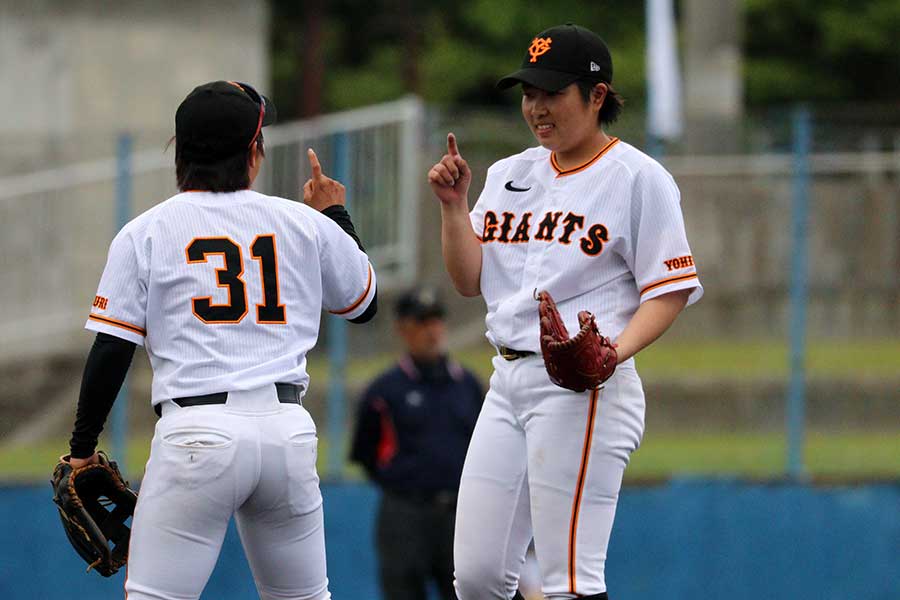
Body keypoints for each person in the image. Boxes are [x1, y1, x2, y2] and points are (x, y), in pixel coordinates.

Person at [63, 80, 377, 600]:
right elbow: (363, 306)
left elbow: (112, 349)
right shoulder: (302, 222)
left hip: (196, 437)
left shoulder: (146, 231)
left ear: (179, 151)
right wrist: (334, 216)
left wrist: (80, 450)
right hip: (286, 433)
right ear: (253, 153)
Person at [427, 24, 703, 600]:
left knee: (570, 580)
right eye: (529, 93)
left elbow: (670, 288)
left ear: (597, 96)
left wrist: (610, 353)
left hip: (585, 389)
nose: (536, 107)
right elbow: (467, 280)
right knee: (477, 579)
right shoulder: (508, 174)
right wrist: (454, 210)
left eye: (552, 92)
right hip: (507, 382)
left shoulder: (637, 178)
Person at [349, 287, 484, 600]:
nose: (432, 330)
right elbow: (366, 454)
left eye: (436, 321)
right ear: (402, 329)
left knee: (464, 593)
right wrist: (401, 483)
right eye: (422, 322)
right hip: (405, 512)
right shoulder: (385, 390)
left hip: (458, 513)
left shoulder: (467, 385)